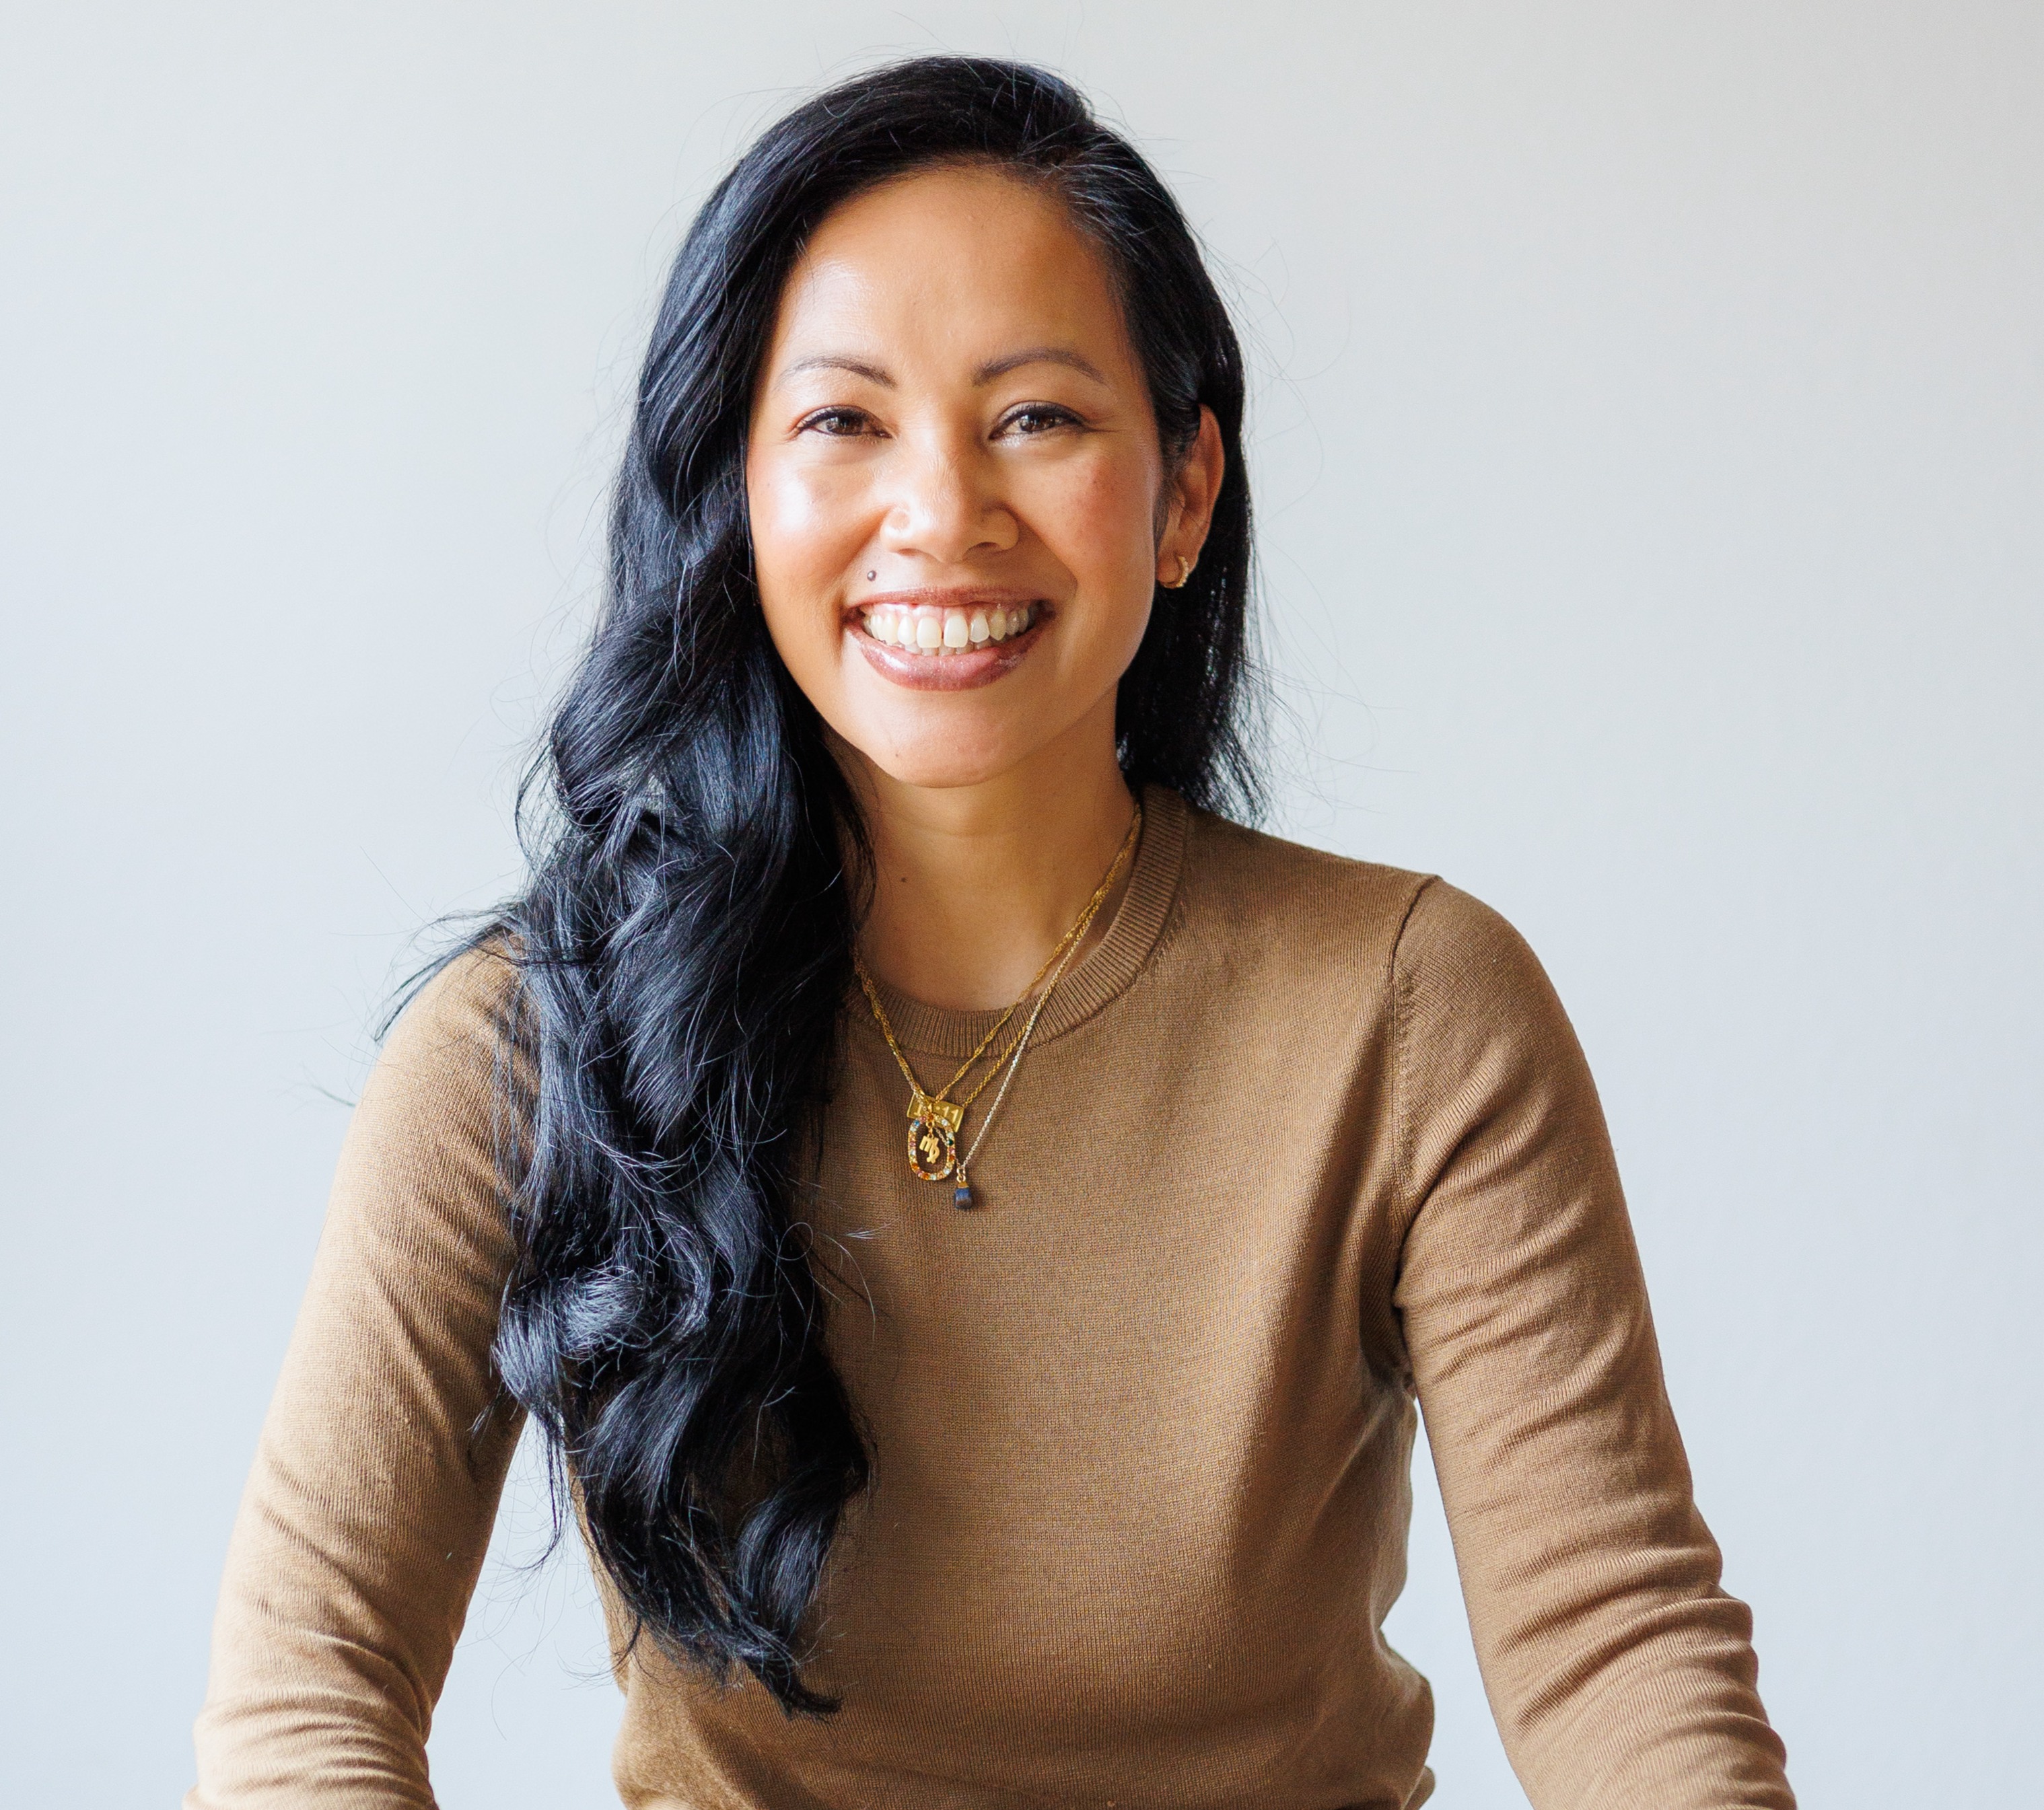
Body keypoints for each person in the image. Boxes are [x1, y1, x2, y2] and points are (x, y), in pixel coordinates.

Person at [187, 56, 1794, 1810]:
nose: (942, 512)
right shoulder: (531, 1040)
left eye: (1034, 415)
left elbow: (1623, 1661)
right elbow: (305, 1688)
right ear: (736, 495)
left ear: (1185, 493)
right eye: (845, 421)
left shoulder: (1413, 1009)